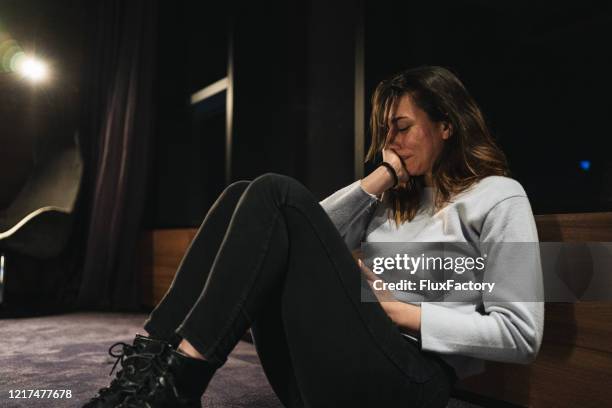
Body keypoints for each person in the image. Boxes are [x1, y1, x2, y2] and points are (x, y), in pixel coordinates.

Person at [82, 66, 544, 408]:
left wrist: (397, 311)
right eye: (385, 131)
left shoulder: (498, 197)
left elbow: (521, 336)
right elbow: (286, 232)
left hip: (408, 383)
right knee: (243, 195)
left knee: (274, 191)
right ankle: (148, 375)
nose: (391, 140)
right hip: (322, 373)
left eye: (402, 127)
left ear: (446, 124)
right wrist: (382, 177)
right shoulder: (391, 202)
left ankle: (179, 384)